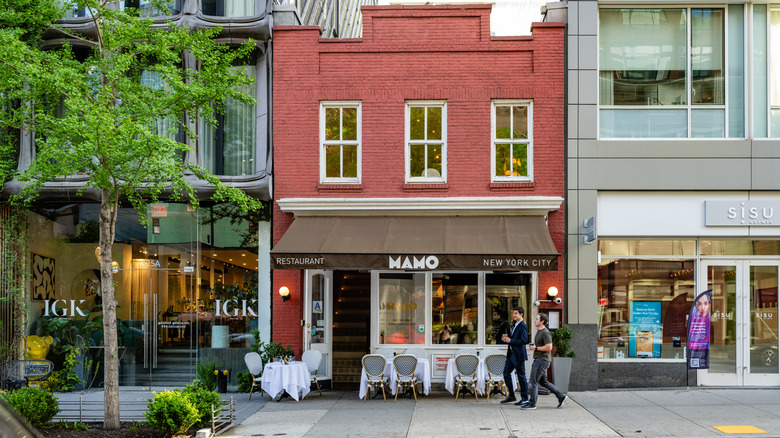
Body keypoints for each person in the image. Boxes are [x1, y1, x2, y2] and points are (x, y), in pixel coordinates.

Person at [521, 312, 567, 410]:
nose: (535, 320)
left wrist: (536, 348)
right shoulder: (539, 331)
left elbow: (549, 347)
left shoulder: (545, 332)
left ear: (542, 321)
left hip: (542, 360)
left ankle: (532, 403)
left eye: (537, 319)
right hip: (540, 359)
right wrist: (535, 347)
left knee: (533, 382)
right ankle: (561, 396)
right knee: (544, 382)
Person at [499, 307, 529, 404]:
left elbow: (524, 340)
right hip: (511, 354)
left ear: (521, 314)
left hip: (518, 355)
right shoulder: (515, 324)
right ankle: (511, 396)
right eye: (513, 313)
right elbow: (513, 339)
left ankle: (525, 398)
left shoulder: (522, 326)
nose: (514, 315)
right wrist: (507, 339)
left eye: (516, 313)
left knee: (521, 376)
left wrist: (511, 340)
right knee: (506, 374)